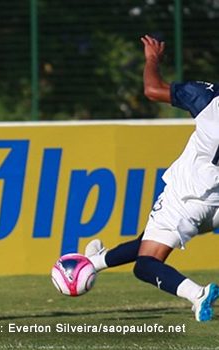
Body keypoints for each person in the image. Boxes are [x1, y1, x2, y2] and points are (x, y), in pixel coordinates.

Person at [85, 35, 219, 322]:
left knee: (146, 264)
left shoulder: (210, 99)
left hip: (188, 196)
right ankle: (92, 263)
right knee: (150, 239)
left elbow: (152, 89)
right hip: (217, 207)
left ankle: (198, 294)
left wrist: (152, 59)